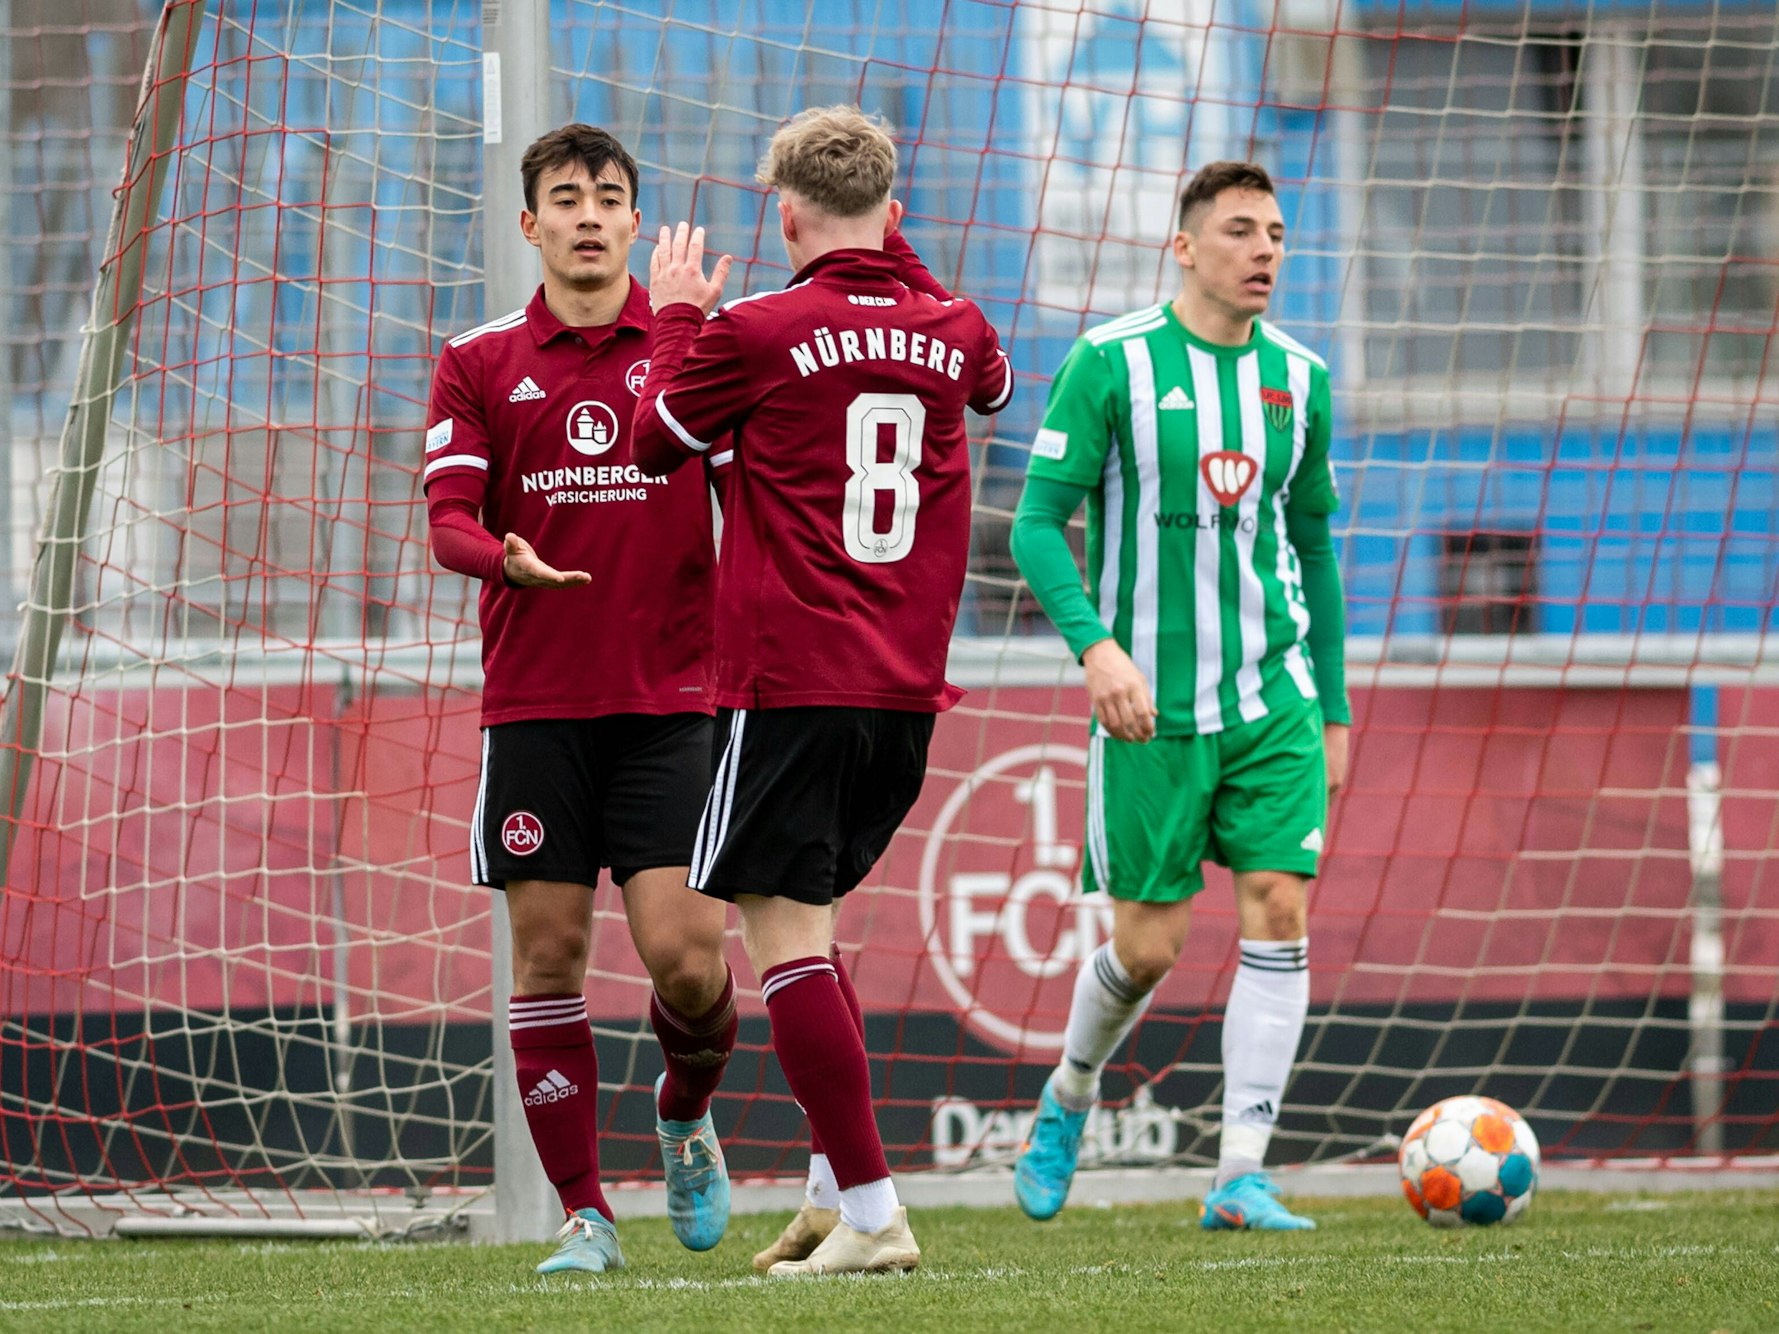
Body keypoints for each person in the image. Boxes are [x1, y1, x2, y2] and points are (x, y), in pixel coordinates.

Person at [633, 104, 1014, 1276]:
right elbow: (993, 385)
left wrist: (674, 315)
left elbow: (654, 441)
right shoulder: (957, 325)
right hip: (905, 689)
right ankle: (829, 1193)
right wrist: (895, 257)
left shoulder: (750, 329)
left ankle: (875, 1210)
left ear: (784, 214)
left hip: (791, 679)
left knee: (785, 938)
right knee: (814, 923)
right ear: (895, 215)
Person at [1008, 160, 1349, 1231]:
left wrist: (1334, 706)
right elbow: (1034, 526)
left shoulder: (1302, 378)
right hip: (1147, 707)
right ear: (1185, 247)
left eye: (1276, 234)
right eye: (1241, 231)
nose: (1264, 251)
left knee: (1279, 906)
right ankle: (1070, 1091)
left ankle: (1240, 1172)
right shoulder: (1109, 361)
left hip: (1273, 694)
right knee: (1150, 946)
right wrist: (1096, 650)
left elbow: (1313, 546)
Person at [422, 124, 739, 1275]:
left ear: (636, 221)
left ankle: (684, 1109)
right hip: (539, 706)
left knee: (687, 963)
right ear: (531, 224)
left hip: (675, 701)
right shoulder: (478, 359)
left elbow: (760, 497)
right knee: (548, 955)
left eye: (609, 196)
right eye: (566, 197)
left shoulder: (694, 347)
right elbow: (447, 520)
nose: (589, 214)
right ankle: (586, 1213)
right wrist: (500, 557)